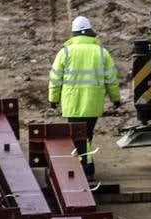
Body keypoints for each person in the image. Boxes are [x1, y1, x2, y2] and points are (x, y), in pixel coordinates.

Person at [48, 16, 122, 179]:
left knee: (79, 136)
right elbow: (111, 78)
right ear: (90, 33)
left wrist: (53, 98)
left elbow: (55, 78)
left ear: (73, 34)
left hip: (72, 104)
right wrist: (115, 98)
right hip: (93, 104)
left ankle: (87, 167)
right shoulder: (101, 53)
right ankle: (85, 166)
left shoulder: (65, 52)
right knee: (86, 134)